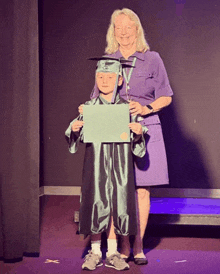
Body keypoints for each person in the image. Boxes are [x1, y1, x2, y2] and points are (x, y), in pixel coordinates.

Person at [80, 8, 173, 265]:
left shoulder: (152, 58)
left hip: (146, 128)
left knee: (142, 190)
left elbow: (166, 95)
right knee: (115, 190)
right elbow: (94, 96)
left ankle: (139, 244)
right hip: (114, 130)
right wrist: (86, 111)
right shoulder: (108, 58)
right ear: (113, 31)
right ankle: (120, 244)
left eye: (128, 27)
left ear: (136, 29)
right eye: (117, 27)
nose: (123, 32)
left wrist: (146, 108)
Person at [65, 58, 148, 270]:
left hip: (120, 166)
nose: (104, 80)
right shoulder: (90, 107)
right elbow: (75, 132)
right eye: (100, 76)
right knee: (97, 202)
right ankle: (94, 252)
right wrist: (75, 128)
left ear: (120, 80)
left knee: (116, 204)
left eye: (110, 77)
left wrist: (138, 133)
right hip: (96, 165)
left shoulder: (126, 108)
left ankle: (112, 253)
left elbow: (138, 138)